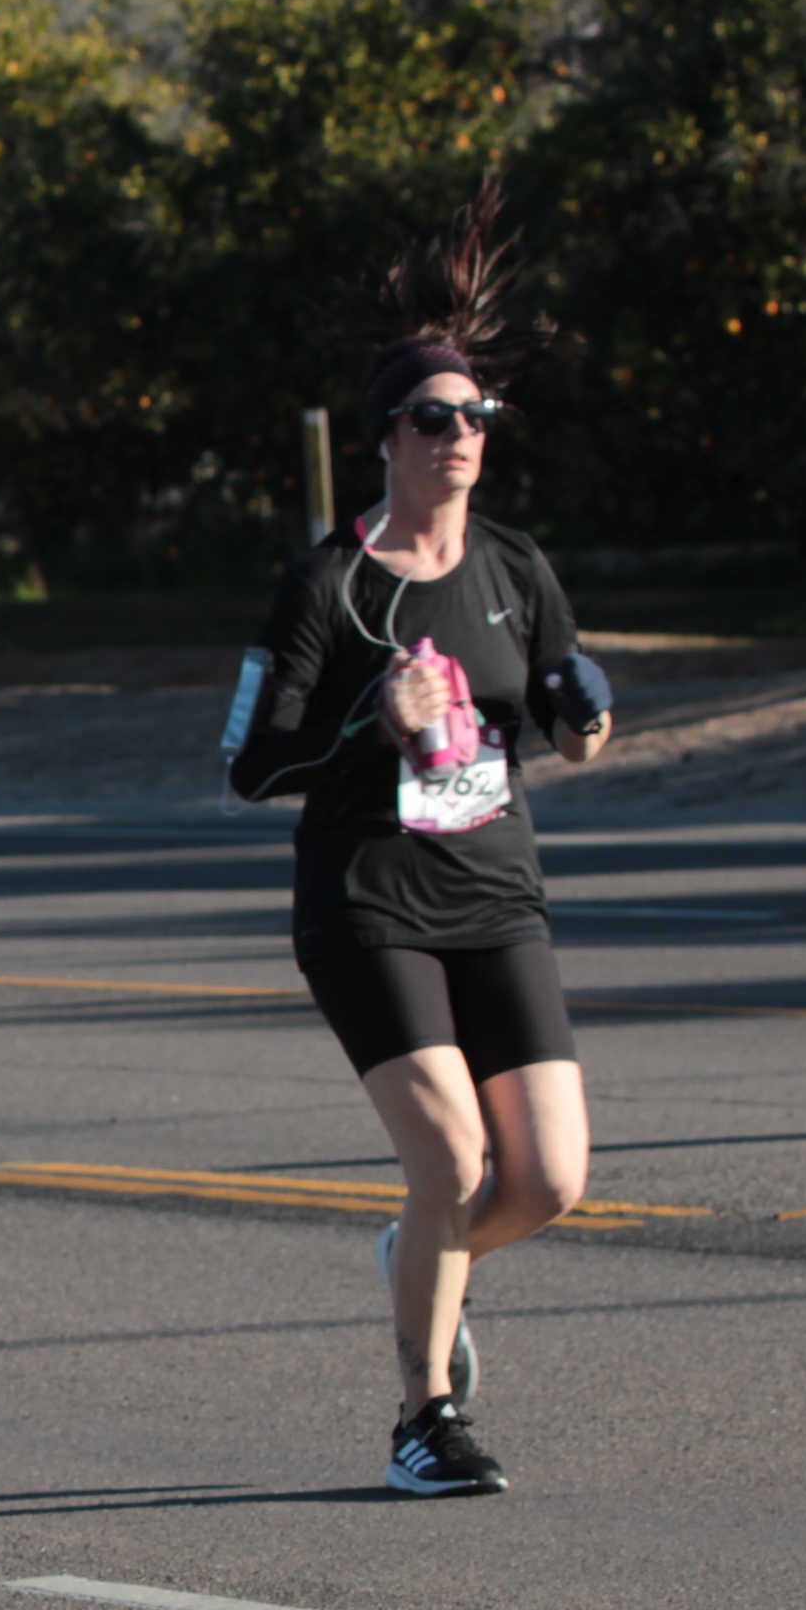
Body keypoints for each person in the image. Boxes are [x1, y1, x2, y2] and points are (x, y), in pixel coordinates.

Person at [225, 189, 617, 1496]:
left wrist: (586, 710)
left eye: (478, 417)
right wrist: (362, 723)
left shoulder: (513, 564)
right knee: (449, 1158)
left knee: (548, 1179)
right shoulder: (326, 585)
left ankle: (420, 1258)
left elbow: (568, 713)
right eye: (435, 419)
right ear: (386, 438)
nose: (461, 436)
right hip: (368, 900)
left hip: (496, 889)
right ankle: (423, 1418)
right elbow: (249, 764)